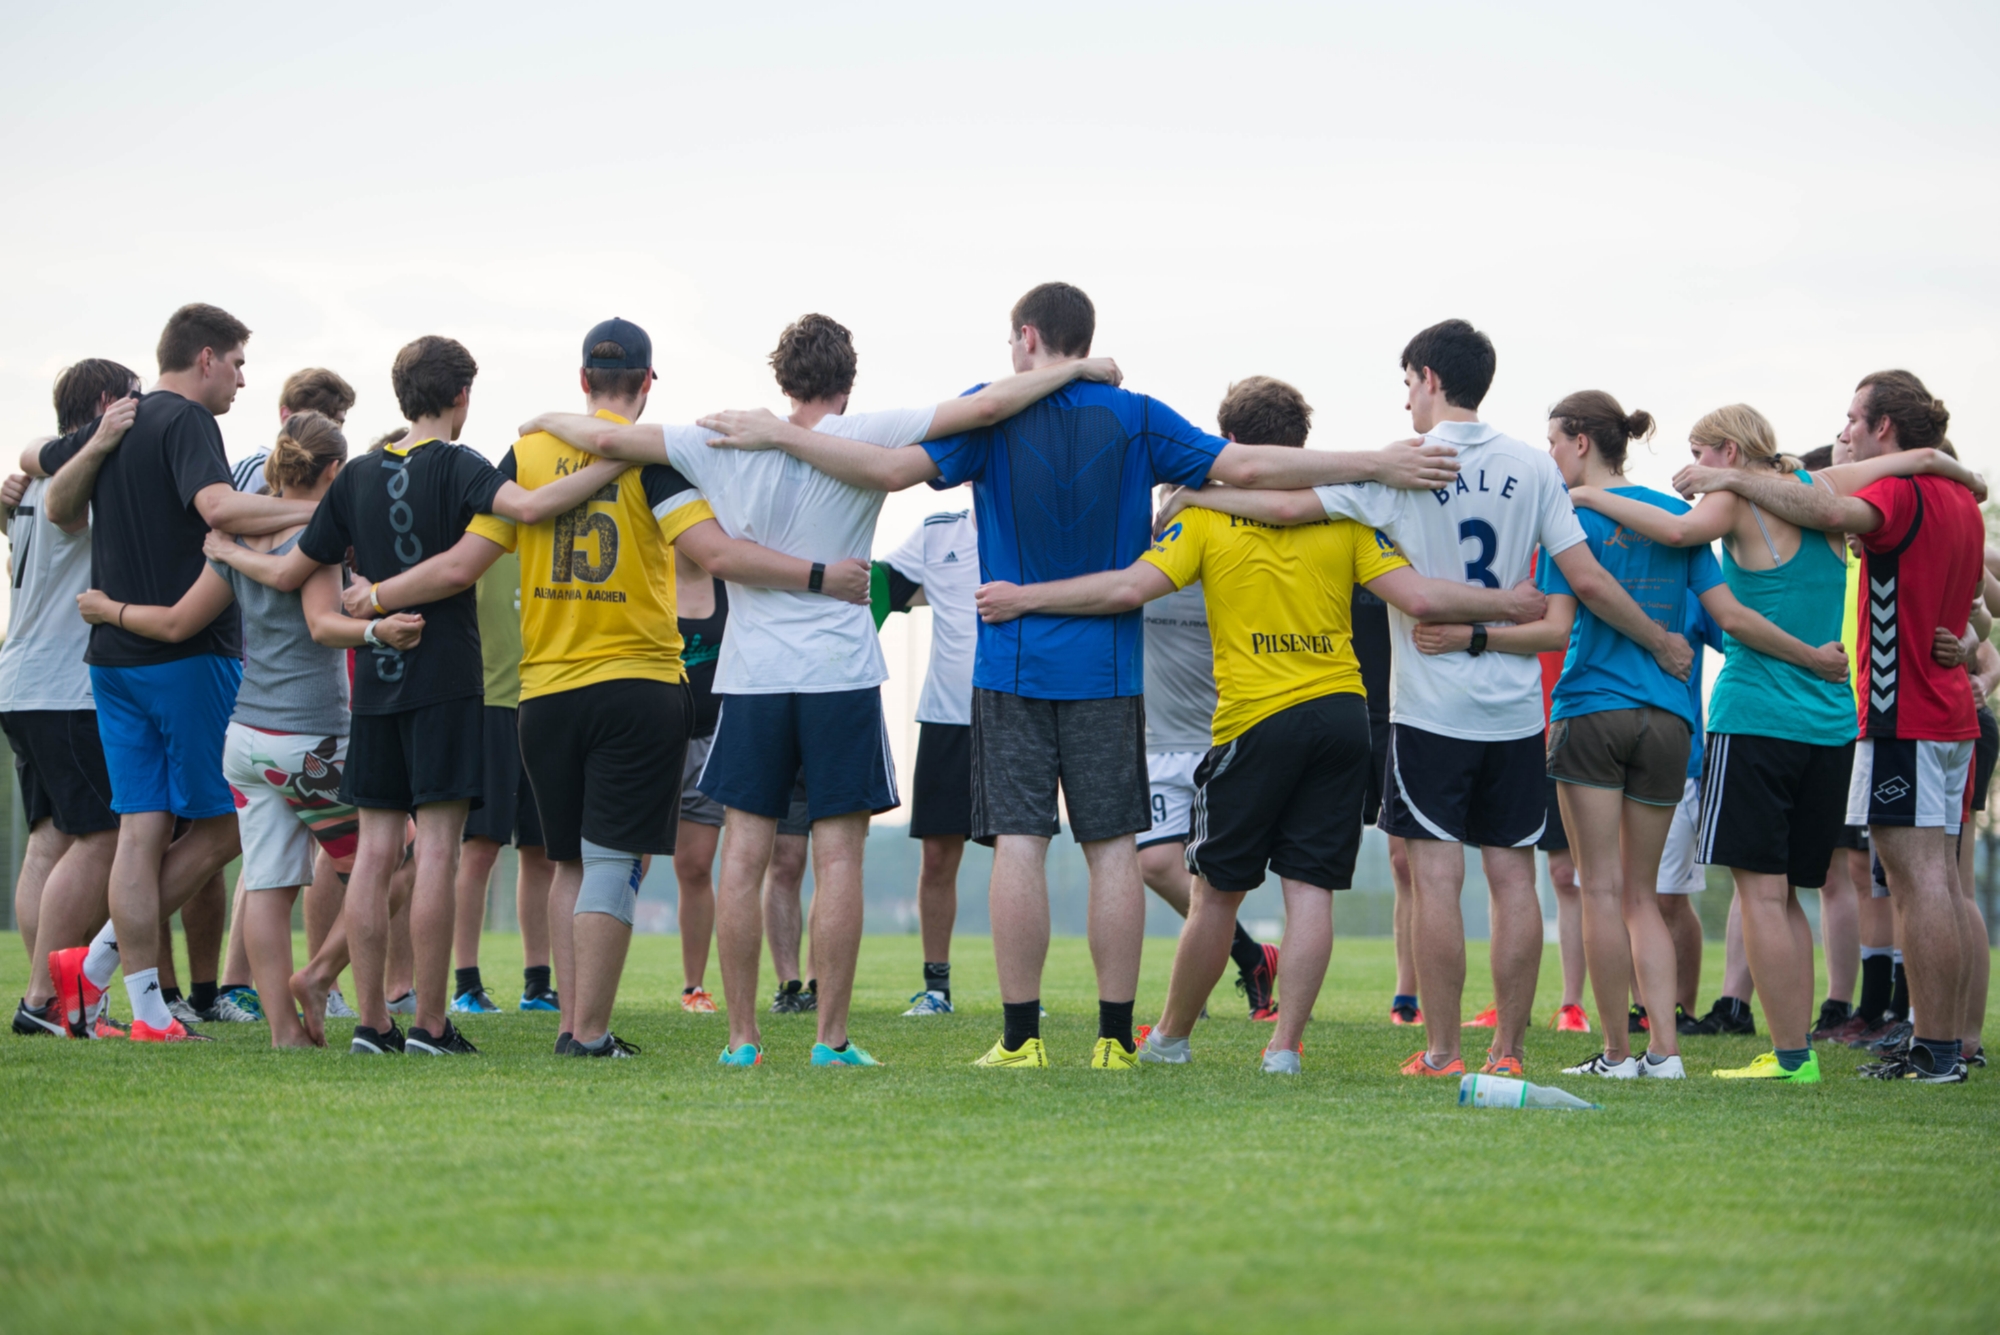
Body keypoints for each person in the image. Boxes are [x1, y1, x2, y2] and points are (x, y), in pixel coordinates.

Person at [696, 287, 1461, 1070]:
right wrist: (1376, 460)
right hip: (1109, 668)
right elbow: (1249, 464)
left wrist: (777, 435)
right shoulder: (1138, 415)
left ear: (1028, 338)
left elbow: (887, 468)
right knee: (1113, 849)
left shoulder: (990, 411)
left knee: (1020, 846)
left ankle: (1022, 1039)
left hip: (1011, 658)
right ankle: (1112, 1040)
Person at [533, 308, 1154, 1069]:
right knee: (838, 860)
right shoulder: (870, 433)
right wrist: (1080, 369)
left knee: (744, 856)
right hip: (839, 673)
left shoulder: (721, 434)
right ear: (848, 384)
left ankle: (741, 1039)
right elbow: (990, 405)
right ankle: (830, 1039)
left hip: (755, 676)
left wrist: (540, 415)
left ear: (781, 378)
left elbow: (603, 438)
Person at [1158, 322, 1692, 1077]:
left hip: (1431, 709)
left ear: (1431, 377)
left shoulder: (1398, 467)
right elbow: (1581, 586)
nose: (1406, 397)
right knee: (1515, 879)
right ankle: (1507, 1052)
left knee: (1438, 878)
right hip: (1513, 710)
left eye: (1408, 382)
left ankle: (1443, 1049)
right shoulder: (1532, 468)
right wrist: (1661, 642)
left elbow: (1281, 508)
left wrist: (1193, 490)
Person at [977, 376, 1543, 1074]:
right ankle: (1283, 1049)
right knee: (1309, 889)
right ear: (1299, 448)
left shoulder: (1205, 517)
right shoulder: (1344, 519)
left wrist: (1024, 597)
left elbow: (1128, 588)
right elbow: (1421, 597)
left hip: (1256, 718)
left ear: (1234, 446)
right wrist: (1509, 605)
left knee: (1217, 890)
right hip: (1342, 715)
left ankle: (1172, 1038)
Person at [351, 318, 859, 1057]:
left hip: (545, 691)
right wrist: (818, 575)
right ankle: (587, 1032)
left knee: (568, 862)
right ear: (647, 384)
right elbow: (715, 553)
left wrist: (374, 597)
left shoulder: (526, 454)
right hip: (637, 682)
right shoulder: (652, 459)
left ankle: (570, 1020)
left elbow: (461, 566)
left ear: (583, 381)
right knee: (615, 862)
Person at [212, 333, 630, 1055]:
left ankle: (373, 1024)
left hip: (374, 682)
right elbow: (529, 511)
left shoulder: (356, 476)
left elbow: (290, 578)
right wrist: (610, 465)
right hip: (443, 681)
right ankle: (431, 1024)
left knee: (373, 853)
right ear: (462, 396)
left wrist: (228, 550)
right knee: (434, 849)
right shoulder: (463, 465)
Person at [1482, 393, 1845, 1081]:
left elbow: (1558, 621)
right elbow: (1723, 617)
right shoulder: (1681, 514)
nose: (1552, 455)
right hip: (1670, 722)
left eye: (1555, 441)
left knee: (1599, 890)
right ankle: (1666, 1053)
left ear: (1583, 442)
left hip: (1592, 710)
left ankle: (1619, 1053)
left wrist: (1476, 635)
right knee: (1645, 897)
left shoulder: (1570, 512)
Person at [1673, 372, 1985, 1083]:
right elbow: (1973, 611)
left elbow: (1812, 502)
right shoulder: (1961, 502)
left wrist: (1742, 478)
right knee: (1943, 883)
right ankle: (1952, 1042)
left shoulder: (1899, 495)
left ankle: (1932, 1051)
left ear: (1882, 429)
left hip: (1903, 710)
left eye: (1851, 419)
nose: (1841, 431)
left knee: (1918, 885)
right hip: (1942, 713)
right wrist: (1964, 647)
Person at [41, 304, 322, 1045]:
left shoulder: (122, 420)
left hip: (112, 658)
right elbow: (218, 505)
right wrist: (322, 509)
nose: (240, 379)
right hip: (186, 656)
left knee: (142, 828)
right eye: (235, 363)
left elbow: (49, 484)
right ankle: (101, 970)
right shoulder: (190, 421)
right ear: (204, 358)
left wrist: (79, 448)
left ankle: (141, 1006)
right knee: (228, 822)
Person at [94, 411, 419, 1047]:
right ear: (333, 470)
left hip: (246, 742)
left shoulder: (237, 547)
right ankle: (321, 973)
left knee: (268, 887)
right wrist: (380, 621)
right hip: (314, 741)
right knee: (399, 857)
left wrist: (110, 610)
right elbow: (326, 619)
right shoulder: (321, 543)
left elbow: (177, 624)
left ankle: (283, 1034)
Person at [3, 360, 135, 1038]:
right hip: (65, 687)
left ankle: (45, 1000)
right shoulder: (73, 472)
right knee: (104, 835)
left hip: (22, 683)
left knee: (49, 841)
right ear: (107, 403)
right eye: (132, 398)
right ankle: (47, 996)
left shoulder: (28, 481)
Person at [876, 506, 980, 1016]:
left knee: (1021, 854)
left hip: (1021, 712)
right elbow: (878, 587)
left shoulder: (1040, 515)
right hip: (946, 717)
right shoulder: (939, 529)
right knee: (938, 856)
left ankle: (1025, 992)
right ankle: (936, 989)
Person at [447, 550, 555, 1015]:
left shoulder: (555, 540)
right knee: (481, 847)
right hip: (489, 703)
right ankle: (466, 984)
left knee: (542, 852)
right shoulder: (481, 539)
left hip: (547, 700)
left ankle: (537, 985)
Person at [671, 555, 727, 1014]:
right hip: (647, 740)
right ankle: (600, 982)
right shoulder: (646, 574)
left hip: (709, 743)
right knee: (629, 864)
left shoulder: (730, 586)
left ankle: (694, 989)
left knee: (695, 866)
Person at [231, 368, 356, 494]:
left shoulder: (343, 480)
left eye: (337, 422)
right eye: (313, 420)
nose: (327, 430)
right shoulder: (255, 473)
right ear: (286, 416)